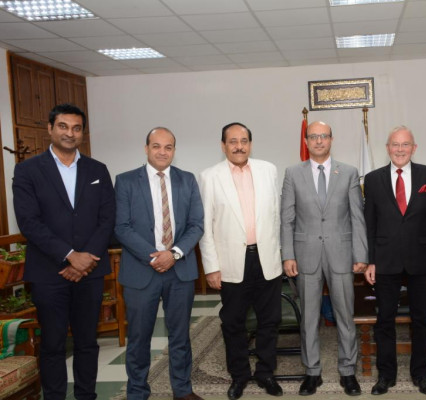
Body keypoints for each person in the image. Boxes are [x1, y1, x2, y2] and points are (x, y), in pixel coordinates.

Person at [12, 103, 116, 400]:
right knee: (53, 344)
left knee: (87, 342)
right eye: (63, 126)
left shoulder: (97, 170)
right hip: (49, 272)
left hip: (90, 272)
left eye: (76, 128)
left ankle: (86, 396)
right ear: (50, 128)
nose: (70, 133)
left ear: (83, 133)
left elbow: (107, 219)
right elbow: (29, 222)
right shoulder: (27, 170)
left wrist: (85, 260)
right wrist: (70, 255)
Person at [114, 127, 204, 400]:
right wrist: (154, 256)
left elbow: (196, 225)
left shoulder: (187, 180)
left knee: (180, 336)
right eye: (156, 146)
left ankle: (183, 390)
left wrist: (173, 254)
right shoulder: (126, 181)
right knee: (139, 337)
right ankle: (137, 392)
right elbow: (121, 227)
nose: (162, 152)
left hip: (180, 270)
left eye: (168, 147)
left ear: (174, 150)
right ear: (146, 148)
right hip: (141, 270)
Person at [281, 121, 368, 396]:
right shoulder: (293, 173)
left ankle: (348, 371)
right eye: (313, 136)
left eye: (324, 136)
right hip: (305, 255)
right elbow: (287, 219)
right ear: (306, 141)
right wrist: (287, 255)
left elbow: (357, 217)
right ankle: (312, 372)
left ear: (331, 139)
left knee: (345, 315)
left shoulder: (349, 172)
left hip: (341, 254)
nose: (319, 141)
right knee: (309, 318)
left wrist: (361, 254)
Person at [199, 122, 283, 400]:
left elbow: (276, 216)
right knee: (233, 323)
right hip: (232, 263)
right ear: (223, 145)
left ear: (250, 144)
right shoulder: (210, 177)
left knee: (269, 320)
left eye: (244, 141)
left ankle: (266, 372)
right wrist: (211, 267)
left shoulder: (268, 170)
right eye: (233, 141)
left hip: (266, 258)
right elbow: (206, 226)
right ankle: (239, 375)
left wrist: (280, 253)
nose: (239, 146)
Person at [363, 126, 426, 396]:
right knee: (385, 319)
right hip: (385, 260)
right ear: (387, 148)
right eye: (395, 144)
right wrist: (370, 261)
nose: (400, 149)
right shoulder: (373, 179)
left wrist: (422, 237)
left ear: (414, 148)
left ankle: (421, 374)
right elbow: (370, 223)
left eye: (405, 144)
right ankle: (386, 375)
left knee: (421, 319)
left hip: (420, 258)